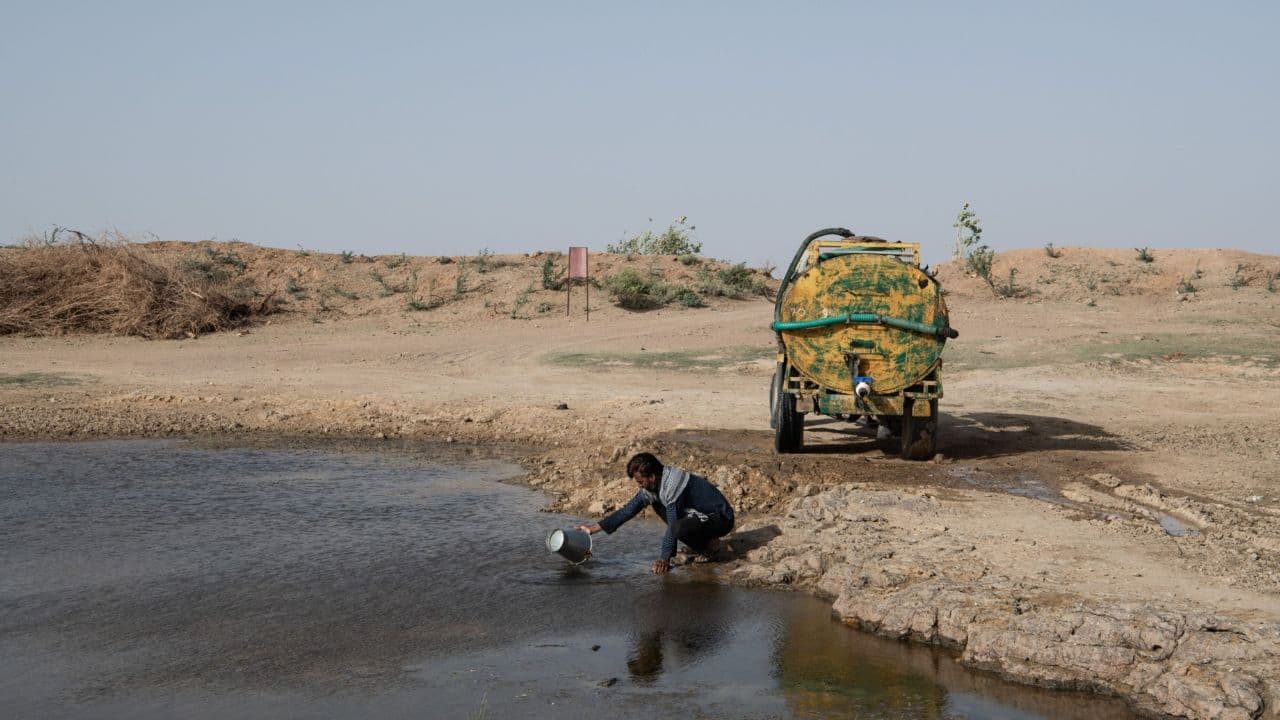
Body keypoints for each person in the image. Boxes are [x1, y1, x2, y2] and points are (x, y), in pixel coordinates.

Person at [576, 452, 734, 575]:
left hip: (720, 518)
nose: (639, 486)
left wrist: (664, 559)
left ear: (652, 476)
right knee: (659, 506)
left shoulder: (672, 484)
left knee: (678, 527)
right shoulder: (653, 486)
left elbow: (673, 524)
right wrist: (592, 529)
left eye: (640, 482)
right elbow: (628, 510)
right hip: (699, 516)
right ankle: (706, 544)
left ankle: (709, 548)